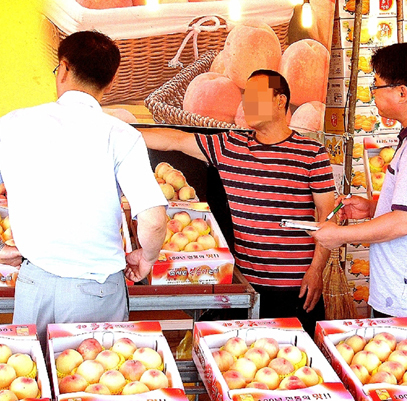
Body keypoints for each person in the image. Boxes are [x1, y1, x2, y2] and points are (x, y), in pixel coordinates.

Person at [0, 30, 168, 344]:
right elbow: (154, 219)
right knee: (91, 386)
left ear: (63, 69)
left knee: (27, 381)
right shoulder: (120, 134)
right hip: (97, 290)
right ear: (111, 80)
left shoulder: (14, 124)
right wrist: (146, 258)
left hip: (33, 285)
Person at [140, 70, 336, 336]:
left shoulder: (312, 153)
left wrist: (316, 271)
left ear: (281, 101)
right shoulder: (229, 145)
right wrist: (117, 132)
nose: (247, 105)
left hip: (299, 286)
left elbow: (328, 216)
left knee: (300, 366)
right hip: (248, 286)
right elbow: (175, 139)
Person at [310, 42, 407, 350]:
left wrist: (339, 236)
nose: (373, 93)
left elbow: (405, 222)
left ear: (402, 92)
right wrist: (372, 206)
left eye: (377, 84)